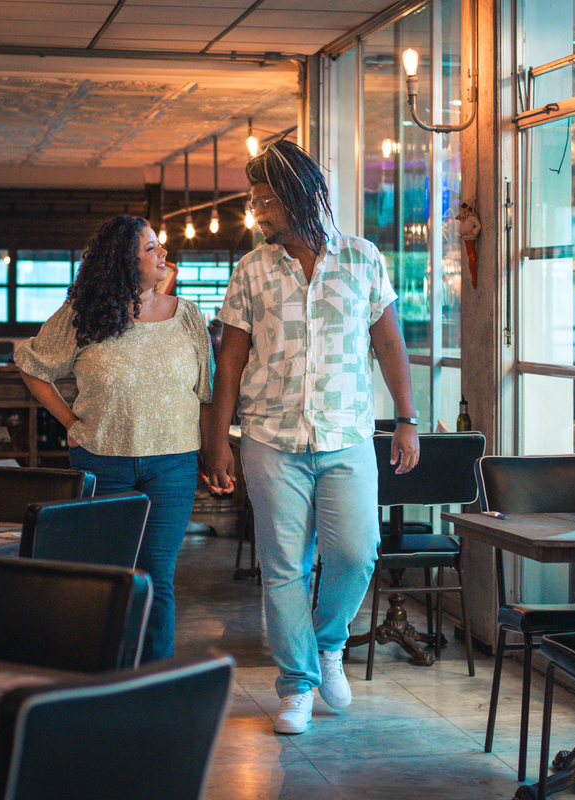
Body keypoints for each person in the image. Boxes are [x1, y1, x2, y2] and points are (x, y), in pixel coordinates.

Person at [203, 139, 419, 736]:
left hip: (347, 432)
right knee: (283, 566)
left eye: (267, 200)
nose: (260, 213)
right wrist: (218, 441)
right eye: (255, 201)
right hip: (270, 437)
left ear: (302, 196)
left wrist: (406, 417)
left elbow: (389, 344)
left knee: (356, 552)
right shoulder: (252, 270)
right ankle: (297, 684)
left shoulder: (363, 259)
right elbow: (230, 362)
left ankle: (329, 645)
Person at [14, 214, 214, 663]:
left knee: (158, 576)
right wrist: (71, 421)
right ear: (123, 261)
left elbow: (206, 392)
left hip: (173, 464)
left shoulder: (188, 316)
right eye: (151, 248)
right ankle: (105, 672)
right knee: (110, 573)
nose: (163, 254)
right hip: (102, 462)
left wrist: (215, 452)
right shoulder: (83, 316)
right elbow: (33, 366)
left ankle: (152, 680)